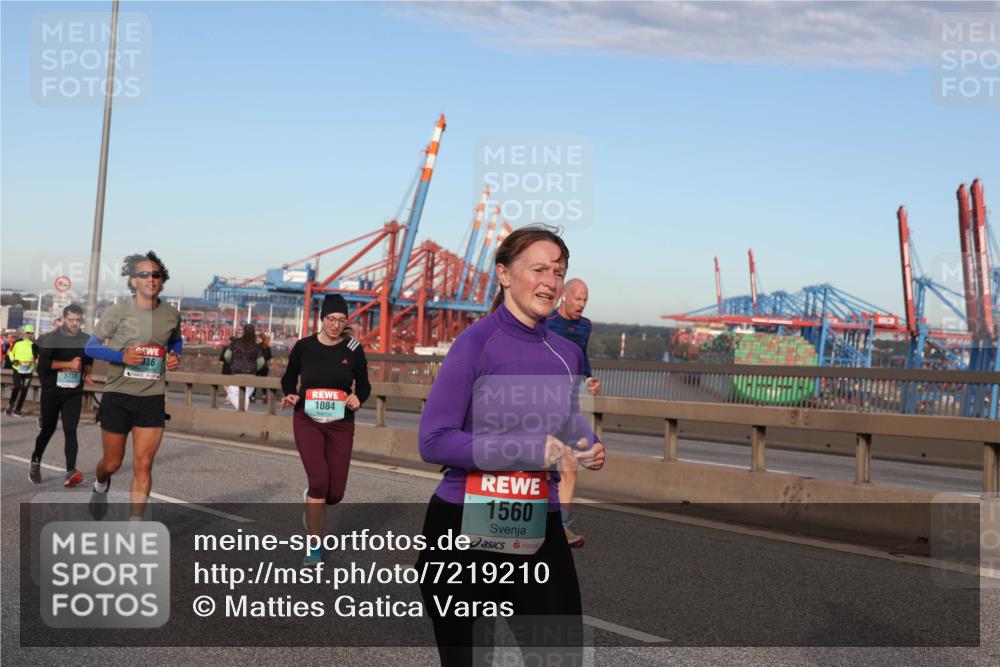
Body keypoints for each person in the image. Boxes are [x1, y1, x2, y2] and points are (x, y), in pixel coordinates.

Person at [417, 225, 606, 666]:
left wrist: (587, 444)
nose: (551, 282)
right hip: (462, 528)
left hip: (538, 525)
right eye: (539, 268)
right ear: (503, 274)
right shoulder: (476, 344)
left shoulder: (567, 353)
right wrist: (523, 450)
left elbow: (565, 420)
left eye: (558, 272)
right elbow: (434, 440)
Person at [84, 251, 182, 519]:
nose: (151, 279)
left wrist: (176, 357)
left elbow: (175, 341)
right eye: (144, 275)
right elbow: (91, 347)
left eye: (156, 275)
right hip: (118, 394)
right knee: (112, 463)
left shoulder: (171, 314)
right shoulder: (117, 312)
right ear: (133, 281)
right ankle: (100, 483)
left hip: (151, 397)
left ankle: (135, 525)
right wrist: (121, 356)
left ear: (163, 281)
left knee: (144, 464)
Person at [280, 293, 370, 564]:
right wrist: (290, 394)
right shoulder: (304, 346)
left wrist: (358, 398)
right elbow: (288, 377)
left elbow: (364, 385)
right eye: (331, 319)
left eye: (342, 320)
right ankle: (314, 548)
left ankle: (312, 500)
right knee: (319, 481)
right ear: (322, 319)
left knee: (335, 493)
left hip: (340, 424)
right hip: (307, 420)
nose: (336, 325)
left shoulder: (353, 348)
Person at [546, 278, 601, 547]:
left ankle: (562, 527)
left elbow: (583, 355)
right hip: (541, 403)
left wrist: (589, 378)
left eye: (585, 300)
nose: (581, 304)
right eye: (577, 299)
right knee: (538, 466)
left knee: (570, 464)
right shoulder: (546, 321)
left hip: (569, 404)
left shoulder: (585, 326)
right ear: (564, 297)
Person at [30, 304, 94, 486]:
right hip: (52, 391)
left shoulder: (86, 339)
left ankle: (70, 471)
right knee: (48, 429)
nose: (74, 323)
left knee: (70, 429)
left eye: (77, 320)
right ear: (64, 319)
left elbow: (88, 360)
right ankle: (36, 460)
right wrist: (68, 364)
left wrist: (88, 373)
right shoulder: (52, 339)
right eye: (71, 319)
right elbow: (42, 366)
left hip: (73, 392)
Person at [224, 324, 263, 410]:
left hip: (236, 373)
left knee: (233, 393)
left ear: (243, 331)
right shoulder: (256, 345)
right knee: (246, 396)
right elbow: (261, 361)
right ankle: (244, 416)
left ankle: (231, 398)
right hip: (251, 375)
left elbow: (227, 355)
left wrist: (233, 363)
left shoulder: (235, 342)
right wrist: (255, 369)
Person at [6, 324, 38, 417]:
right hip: (17, 369)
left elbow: (36, 357)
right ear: (25, 333)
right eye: (28, 333)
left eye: (31, 333)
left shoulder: (35, 344)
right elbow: (11, 352)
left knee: (25, 390)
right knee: (17, 387)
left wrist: (36, 361)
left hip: (28, 370)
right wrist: (13, 360)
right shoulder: (18, 342)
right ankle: (11, 404)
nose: (30, 335)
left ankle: (18, 410)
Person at [253, 331, 272, 403]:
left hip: (257, 365)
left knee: (254, 381)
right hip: (265, 366)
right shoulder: (267, 347)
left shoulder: (257, 346)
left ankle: (253, 396)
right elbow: (270, 356)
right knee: (263, 381)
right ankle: (264, 396)